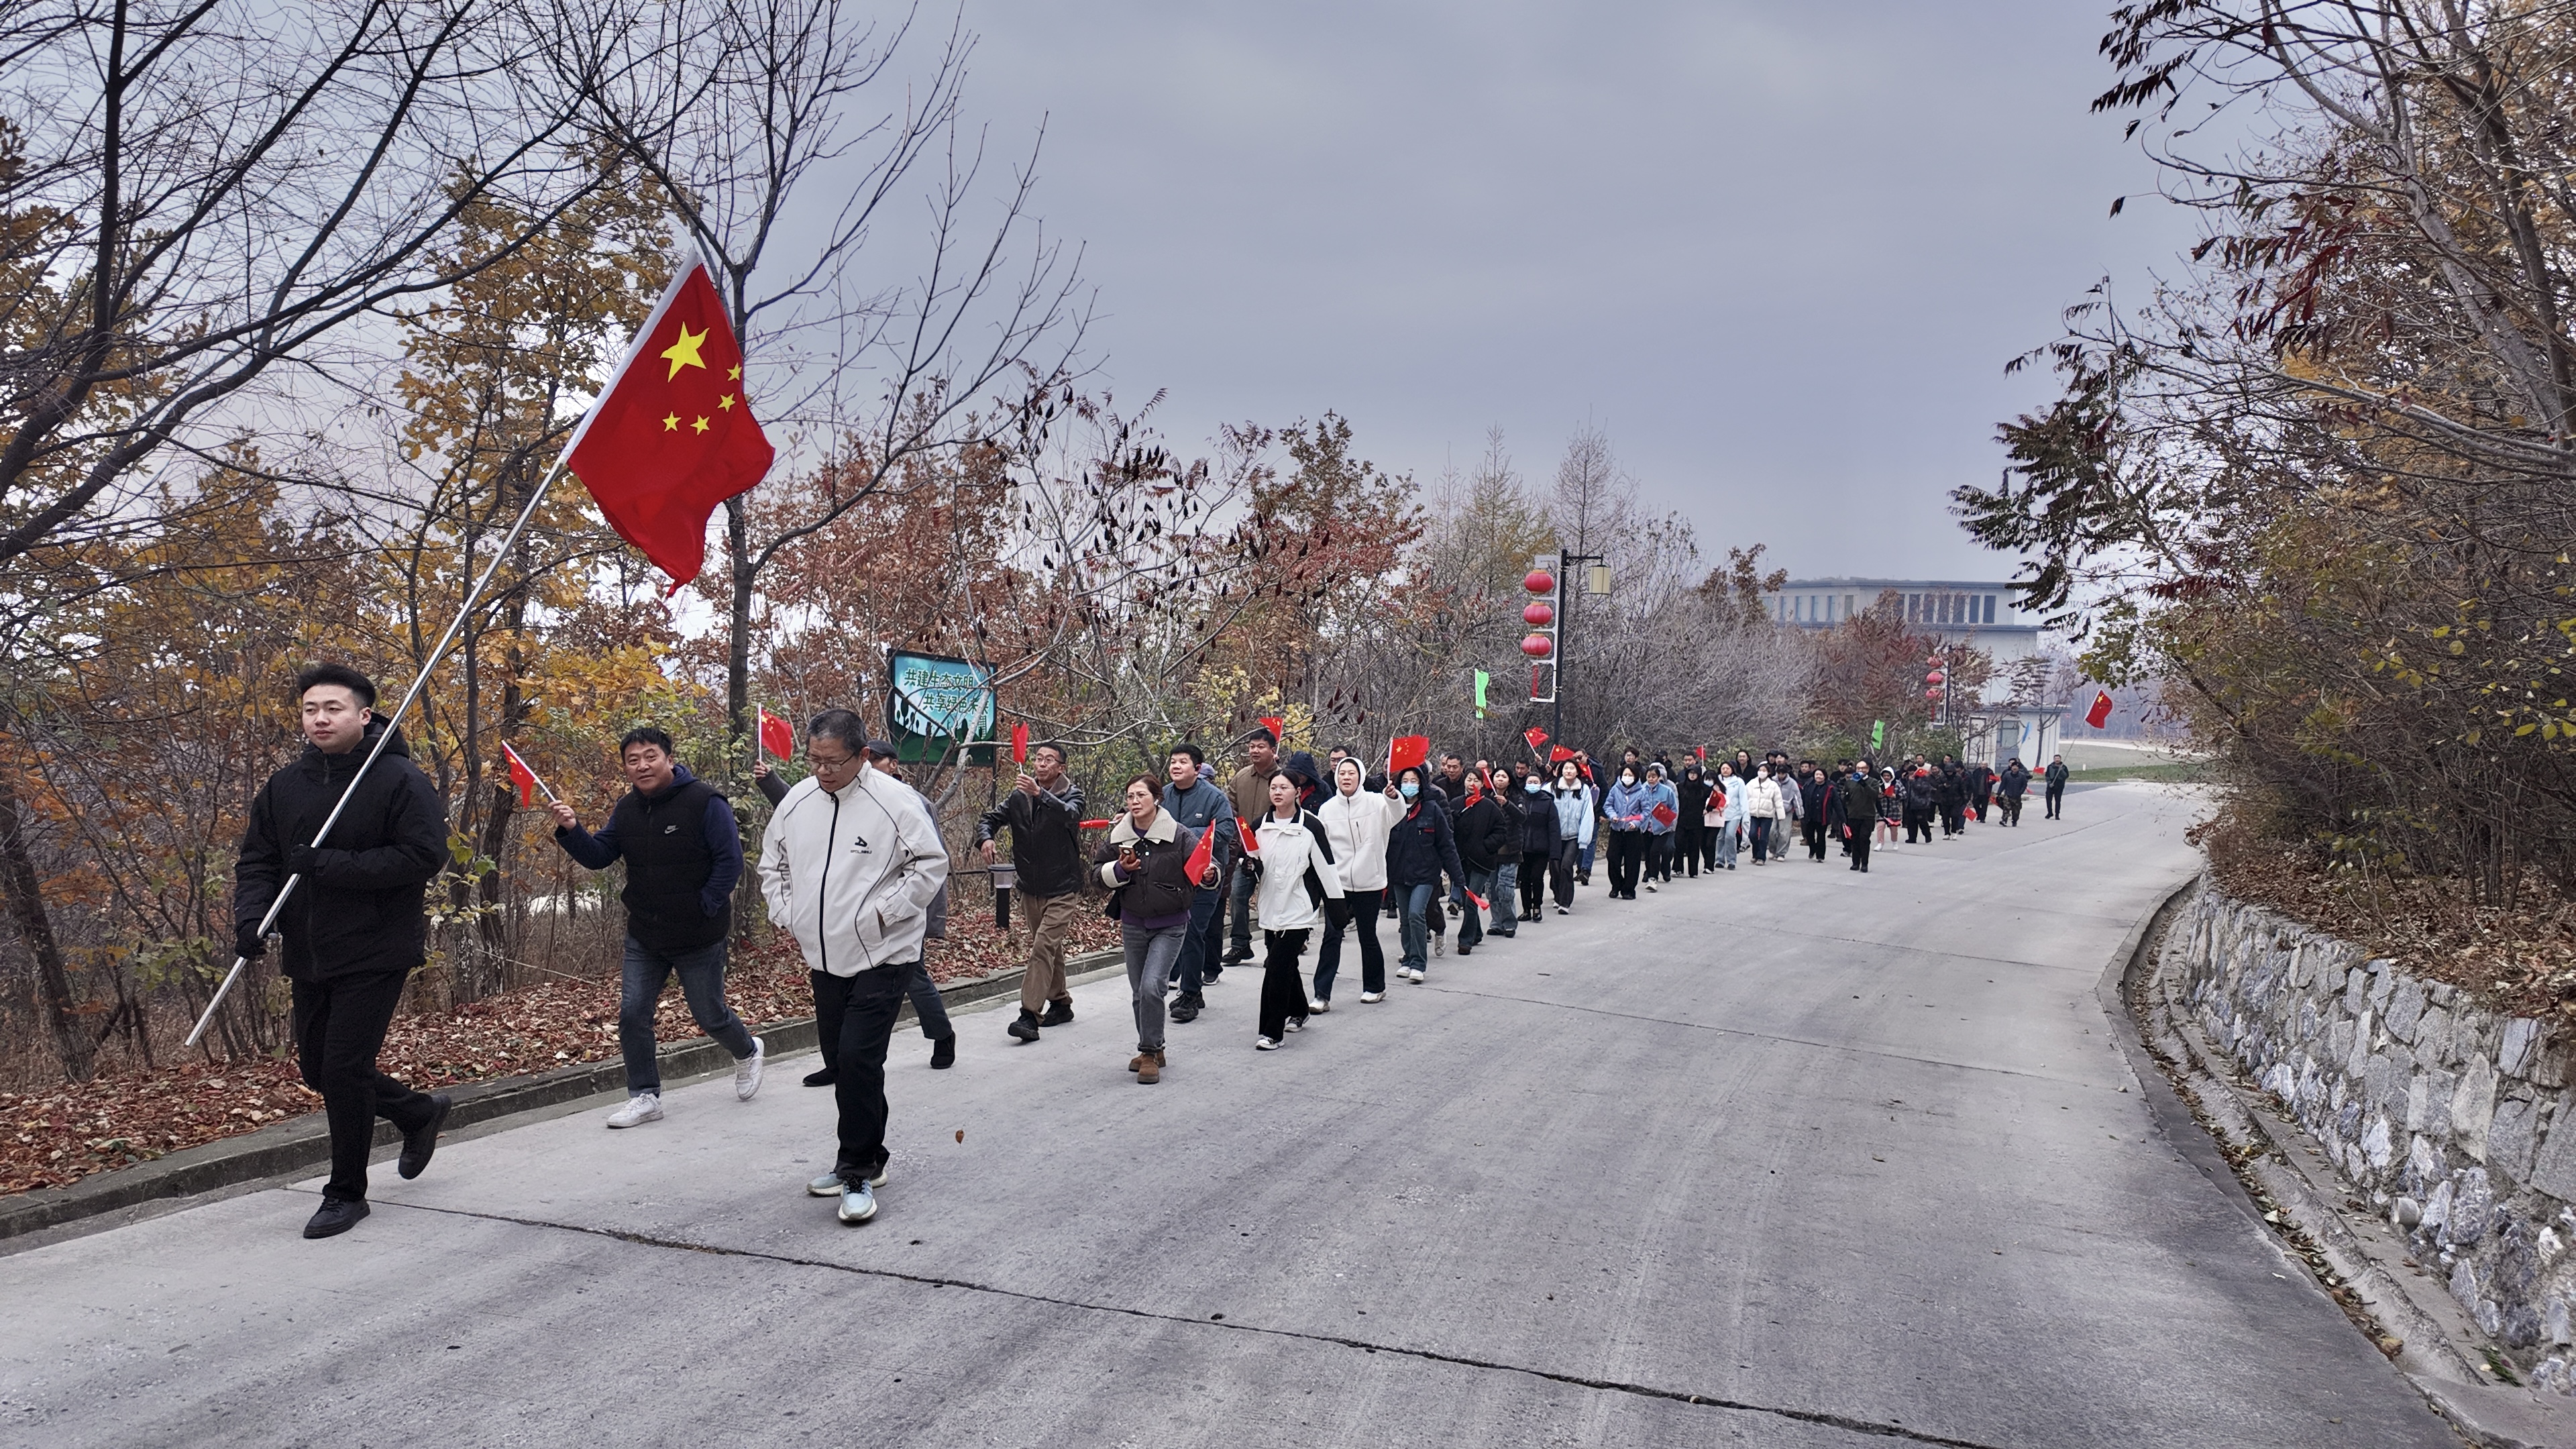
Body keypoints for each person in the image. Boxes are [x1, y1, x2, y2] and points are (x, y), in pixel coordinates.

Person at [233, 663, 451, 1239]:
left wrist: (328, 865)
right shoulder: (285, 786)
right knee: (318, 1068)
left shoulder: (400, 779)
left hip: (376, 947)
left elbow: (423, 857)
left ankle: (346, 1193)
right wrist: (253, 919)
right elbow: (259, 859)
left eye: (333, 708)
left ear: (363, 714)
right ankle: (416, 1112)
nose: (321, 718)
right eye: (311, 709)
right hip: (308, 948)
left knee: (344, 1068)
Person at [760, 709, 949, 1225]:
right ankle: (870, 1156)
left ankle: (857, 1170)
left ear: (862, 755)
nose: (822, 771)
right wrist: (787, 913)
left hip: (885, 954)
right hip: (823, 956)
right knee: (844, 1064)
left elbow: (931, 864)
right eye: (814, 760)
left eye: (833, 762)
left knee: (859, 1060)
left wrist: (884, 916)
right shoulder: (798, 801)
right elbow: (771, 862)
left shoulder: (895, 802)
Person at [548, 726, 763, 1129]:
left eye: (650, 756)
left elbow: (729, 861)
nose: (642, 765)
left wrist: (705, 905)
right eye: (633, 760)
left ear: (669, 757)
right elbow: (599, 856)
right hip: (645, 932)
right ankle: (644, 1095)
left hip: (698, 932)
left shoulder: (704, 802)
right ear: (626, 768)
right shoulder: (627, 809)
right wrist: (573, 829)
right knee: (632, 1014)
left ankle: (748, 1051)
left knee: (710, 1014)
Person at [1095, 773, 1214, 1084]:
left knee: (1152, 987)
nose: (1134, 802)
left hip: (1171, 923)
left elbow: (1202, 869)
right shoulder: (1120, 836)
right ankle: (1156, 1046)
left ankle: (1148, 1052)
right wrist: (1120, 870)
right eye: (1130, 796)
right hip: (1133, 923)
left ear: (1156, 799)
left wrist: (1210, 874)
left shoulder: (1179, 835)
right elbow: (1095, 874)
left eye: (1141, 796)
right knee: (1139, 993)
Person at [977, 739, 1087, 1045]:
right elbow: (989, 818)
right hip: (1030, 888)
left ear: (1060, 767)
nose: (1041, 764)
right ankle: (1061, 1003)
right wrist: (986, 838)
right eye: (1038, 758)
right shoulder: (1018, 796)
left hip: (1063, 887)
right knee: (1049, 947)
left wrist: (1041, 794)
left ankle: (1028, 1015)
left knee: (1042, 948)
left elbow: (1071, 815)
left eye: (1049, 760)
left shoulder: (1071, 794)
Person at [1242, 771, 1342, 1049]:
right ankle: (1299, 1010)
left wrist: (1337, 908)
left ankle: (1271, 1032)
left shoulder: (1311, 826)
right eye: (1273, 787)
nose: (1277, 792)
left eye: (1284, 788)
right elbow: (1254, 862)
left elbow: (1326, 868)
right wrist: (1248, 866)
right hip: (1271, 906)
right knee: (1285, 964)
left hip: (1299, 908)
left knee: (1276, 966)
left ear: (1297, 792)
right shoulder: (1259, 825)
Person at [1161, 743, 1237, 1024]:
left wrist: (1183, 834)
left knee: (1193, 930)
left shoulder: (1214, 798)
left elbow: (1226, 831)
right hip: (1170, 877)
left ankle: (1190, 994)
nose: (1176, 766)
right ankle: (1191, 987)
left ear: (1197, 768)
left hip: (1205, 876)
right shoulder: (1162, 796)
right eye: (1173, 762)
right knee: (1175, 931)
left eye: (1183, 762)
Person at [1317, 756, 1399, 1006]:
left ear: (1361, 776)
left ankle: (1375, 986)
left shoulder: (1376, 803)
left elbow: (1397, 814)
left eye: (1352, 773)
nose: (1346, 778)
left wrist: (1393, 798)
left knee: (1367, 935)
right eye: (1342, 773)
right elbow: (1322, 847)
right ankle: (1321, 994)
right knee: (1332, 935)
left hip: (1369, 882)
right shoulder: (1327, 809)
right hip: (1338, 884)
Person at [1385, 765, 1465, 981]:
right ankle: (1409, 957)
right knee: (1405, 920)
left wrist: (1458, 878)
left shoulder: (1432, 809)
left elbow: (1446, 845)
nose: (1409, 785)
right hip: (1399, 873)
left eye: (1414, 781)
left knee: (1416, 914)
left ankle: (1419, 963)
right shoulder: (1393, 810)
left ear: (1421, 784)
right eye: (1405, 781)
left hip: (1426, 874)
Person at [1221, 729, 1281, 971]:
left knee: (1274, 899)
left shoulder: (1282, 780)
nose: (1254, 751)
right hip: (1246, 848)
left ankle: (1274, 947)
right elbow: (1229, 806)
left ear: (1273, 750)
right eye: (1252, 746)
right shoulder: (1242, 777)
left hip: (1275, 848)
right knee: (1237, 895)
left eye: (1260, 746)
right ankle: (1240, 944)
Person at [1451, 771, 1513, 949]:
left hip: (1481, 861)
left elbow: (1501, 832)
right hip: (1461, 861)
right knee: (1466, 900)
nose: (1472, 783)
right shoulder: (1455, 804)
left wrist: (1486, 847)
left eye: (1476, 780)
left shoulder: (1489, 806)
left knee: (1472, 899)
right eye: (1469, 779)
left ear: (1482, 784)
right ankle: (1476, 932)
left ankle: (1465, 940)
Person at [1548, 759, 1595, 913]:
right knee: (1555, 868)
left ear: (1577, 772)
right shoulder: (1551, 788)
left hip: (1574, 836)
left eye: (1572, 768)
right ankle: (1558, 895)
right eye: (1566, 768)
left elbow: (1588, 815)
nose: (1568, 771)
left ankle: (1565, 902)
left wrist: (1584, 839)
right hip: (1555, 835)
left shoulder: (1584, 790)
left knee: (1566, 866)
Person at [1482, 772, 1523, 939]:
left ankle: (1509, 923)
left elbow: (1522, 817)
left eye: (1504, 777)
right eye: (1497, 776)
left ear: (1509, 780)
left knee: (1505, 889)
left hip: (1510, 851)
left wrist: (1507, 804)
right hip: (1492, 852)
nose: (1500, 779)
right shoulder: (1487, 799)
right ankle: (1496, 922)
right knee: (1492, 890)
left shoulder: (1516, 797)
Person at [1601, 762, 1648, 900]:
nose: (1627, 777)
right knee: (1612, 858)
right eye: (1625, 775)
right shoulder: (1616, 789)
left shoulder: (1642, 792)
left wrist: (1636, 822)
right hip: (1617, 829)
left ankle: (1629, 889)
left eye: (1630, 775)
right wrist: (1612, 815)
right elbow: (1608, 805)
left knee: (1632, 861)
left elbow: (1646, 812)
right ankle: (1616, 885)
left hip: (1632, 832)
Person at [1515, 768, 1555, 920]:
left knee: (1537, 877)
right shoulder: (1520, 801)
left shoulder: (1548, 802)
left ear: (1541, 784)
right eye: (1530, 782)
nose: (1532, 785)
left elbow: (1553, 827)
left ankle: (1537, 907)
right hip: (1523, 847)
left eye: (1535, 782)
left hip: (1541, 848)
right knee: (1524, 879)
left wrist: (1554, 851)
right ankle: (1526, 909)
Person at [1639, 761, 1678, 890]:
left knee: (1655, 852)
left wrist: (1670, 823)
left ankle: (1653, 879)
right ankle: (1650, 873)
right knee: (1649, 854)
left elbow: (1674, 808)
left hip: (1661, 828)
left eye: (1654, 777)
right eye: (1649, 777)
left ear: (1659, 777)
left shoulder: (1667, 791)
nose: (1651, 779)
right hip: (1646, 827)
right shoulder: (1641, 790)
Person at [1839, 761, 1881, 873]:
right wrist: (1845, 798)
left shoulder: (1873, 782)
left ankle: (1865, 863)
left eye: (1864, 768)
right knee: (1855, 839)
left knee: (1864, 838)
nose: (1861, 770)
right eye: (1858, 768)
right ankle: (1855, 863)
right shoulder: (1850, 782)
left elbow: (1874, 795)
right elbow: (1843, 793)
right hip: (1853, 815)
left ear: (1868, 769)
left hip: (1868, 816)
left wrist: (1864, 784)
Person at [1674, 762, 1711, 877]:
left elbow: (1716, 799)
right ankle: (1677, 868)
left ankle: (1693, 871)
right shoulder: (1680, 787)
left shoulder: (1705, 789)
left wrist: (1708, 809)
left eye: (1695, 774)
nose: (1692, 776)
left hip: (1697, 821)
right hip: (1682, 819)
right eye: (1690, 773)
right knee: (1679, 844)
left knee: (1694, 846)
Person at [1745, 763, 1783, 866]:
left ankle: (1761, 857)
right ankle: (1756, 853)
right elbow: (1745, 797)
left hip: (1767, 815)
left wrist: (1781, 816)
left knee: (1763, 837)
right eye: (1760, 770)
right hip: (1753, 813)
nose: (1762, 772)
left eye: (1764, 770)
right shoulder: (1751, 784)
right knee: (1752, 834)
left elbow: (1778, 801)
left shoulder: (1773, 785)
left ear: (1769, 772)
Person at [1712, 761, 1746, 871]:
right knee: (1720, 837)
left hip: (1734, 813)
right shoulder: (1717, 781)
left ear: (1732, 769)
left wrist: (1744, 813)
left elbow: (1743, 798)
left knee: (1730, 836)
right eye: (1723, 768)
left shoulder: (1738, 782)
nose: (1725, 770)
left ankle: (1731, 861)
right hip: (1720, 813)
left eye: (1727, 768)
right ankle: (1719, 860)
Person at [1998, 757, 2031, 826]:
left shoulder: (2022, 776)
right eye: (2013, 766)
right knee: (2006, 807)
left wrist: (2020, 792)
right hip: (2008, 794)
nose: (2015, 768)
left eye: (2016, 767)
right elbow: (2003, 784)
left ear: (2018, 768)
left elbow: (2024, 785)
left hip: (2017, 796)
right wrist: (1999, 792)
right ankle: (2004, 820)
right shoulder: (2007, 775)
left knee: (2016, 811)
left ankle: (2015, 820)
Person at [2044, 753, 2070, 819]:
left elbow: (2066, 776)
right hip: (2051, 786)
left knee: (2058, 800)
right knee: (2048, 799)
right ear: (2054, 759)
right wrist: (2049, 783)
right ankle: (2050, 813)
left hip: (2059, 786)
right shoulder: (2050, 767)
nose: (2057, 760)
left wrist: (2061, 771)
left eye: (2058, 759)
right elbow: (2047, 776)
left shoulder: (2064, 767)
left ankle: (2057, 814)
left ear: (2060, 759)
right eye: (2056, 759)